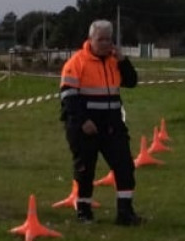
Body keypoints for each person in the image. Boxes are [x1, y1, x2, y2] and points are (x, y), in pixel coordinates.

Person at [59, 19, 143, 225]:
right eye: (101, 39)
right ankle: (84, 212)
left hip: (112, 124)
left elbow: (131, 81)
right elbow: (68, 97)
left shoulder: (115, 61)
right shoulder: (76, 63)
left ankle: (125, 213)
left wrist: (123, 60)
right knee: (85, 170)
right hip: (85, 125)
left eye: (109, 39)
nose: (105, 43)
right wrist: (82, 121)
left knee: (124, 166)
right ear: (90, 40)